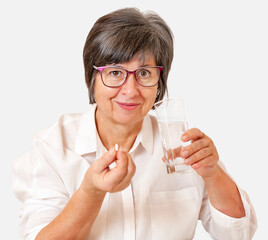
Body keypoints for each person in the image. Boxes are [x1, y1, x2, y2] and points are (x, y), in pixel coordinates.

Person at [13, 7, 257, 240]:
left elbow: (238, 234)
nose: (130, 91)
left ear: (159, 81)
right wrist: (91, 191)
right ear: (92, 77)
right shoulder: (53, 147)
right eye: (115, 73)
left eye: (144, 73)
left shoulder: (181, 145)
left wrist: (213, 174)